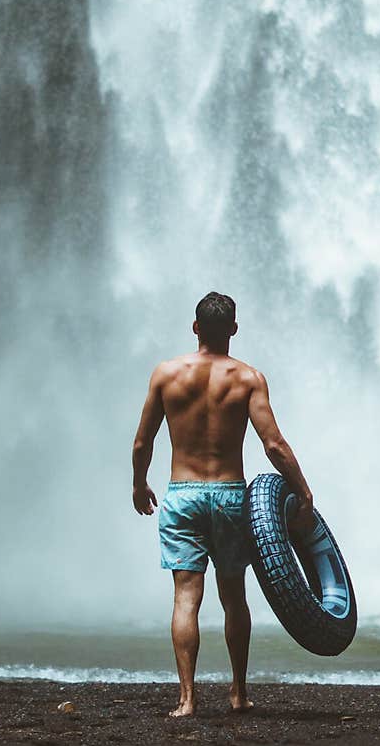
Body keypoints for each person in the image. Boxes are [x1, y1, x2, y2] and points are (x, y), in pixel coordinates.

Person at [132, 290, 315, 718]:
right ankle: (238, 692)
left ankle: (187, 699)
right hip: (232, 496)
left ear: (195, 328)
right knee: (234, 596)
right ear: (233, 329)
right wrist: (302, 491)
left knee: (185, 599)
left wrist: (140, 484)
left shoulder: (166, 374)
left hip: (183, 495)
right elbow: (274, 445)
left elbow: (144, 440)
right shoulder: (248, 378)